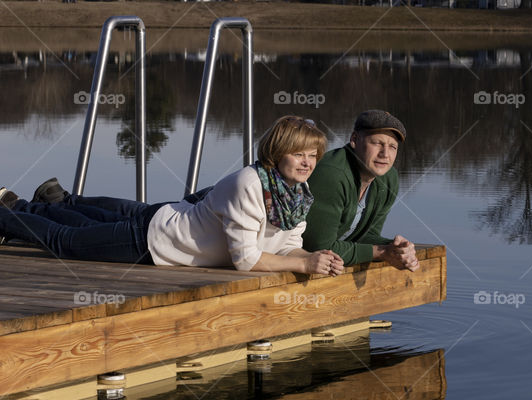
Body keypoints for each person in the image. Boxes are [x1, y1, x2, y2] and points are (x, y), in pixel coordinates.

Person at [0, 115, 344, 276]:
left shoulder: (297, 193)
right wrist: (302, 264)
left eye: (313, 155)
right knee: (65, 242)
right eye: (299, 154)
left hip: (167, 224)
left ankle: (26, 205)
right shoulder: (251, 184)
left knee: (84, 225)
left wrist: (315, 256)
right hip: (155, 241)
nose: (307, 163)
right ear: (278, 151)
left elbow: (285, 244)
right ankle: (9, 213)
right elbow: (246, 261)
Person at [302, 110, 419, 272]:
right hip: (285, 258)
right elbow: (317, 248)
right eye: (377, 143)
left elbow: (365, 236)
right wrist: (383, 251)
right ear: (354, 139)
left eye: (392, 146)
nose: (385, 154)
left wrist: (397, 248)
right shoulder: (332, 174)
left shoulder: (388, 179)